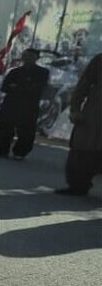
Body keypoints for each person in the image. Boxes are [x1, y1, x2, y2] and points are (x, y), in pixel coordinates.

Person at [0, 48, 50, 159]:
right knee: (5, 127)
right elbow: (6, 86)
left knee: (26, 130)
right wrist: (24, 87)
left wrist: (18, 87)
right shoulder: (14, 71)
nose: (27, 58)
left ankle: (19, 153)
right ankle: (1, 151)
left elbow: (38, 88)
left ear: (37, 58)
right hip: (11, 103)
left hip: (29, 105)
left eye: (31, 56)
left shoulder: (42, 72)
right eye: (25, 55)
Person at [56, 53, 102, 196]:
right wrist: (75, 108)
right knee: (82, 149)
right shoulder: (100, 60)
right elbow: (84, 84)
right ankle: (77, 185)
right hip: (94, 114)